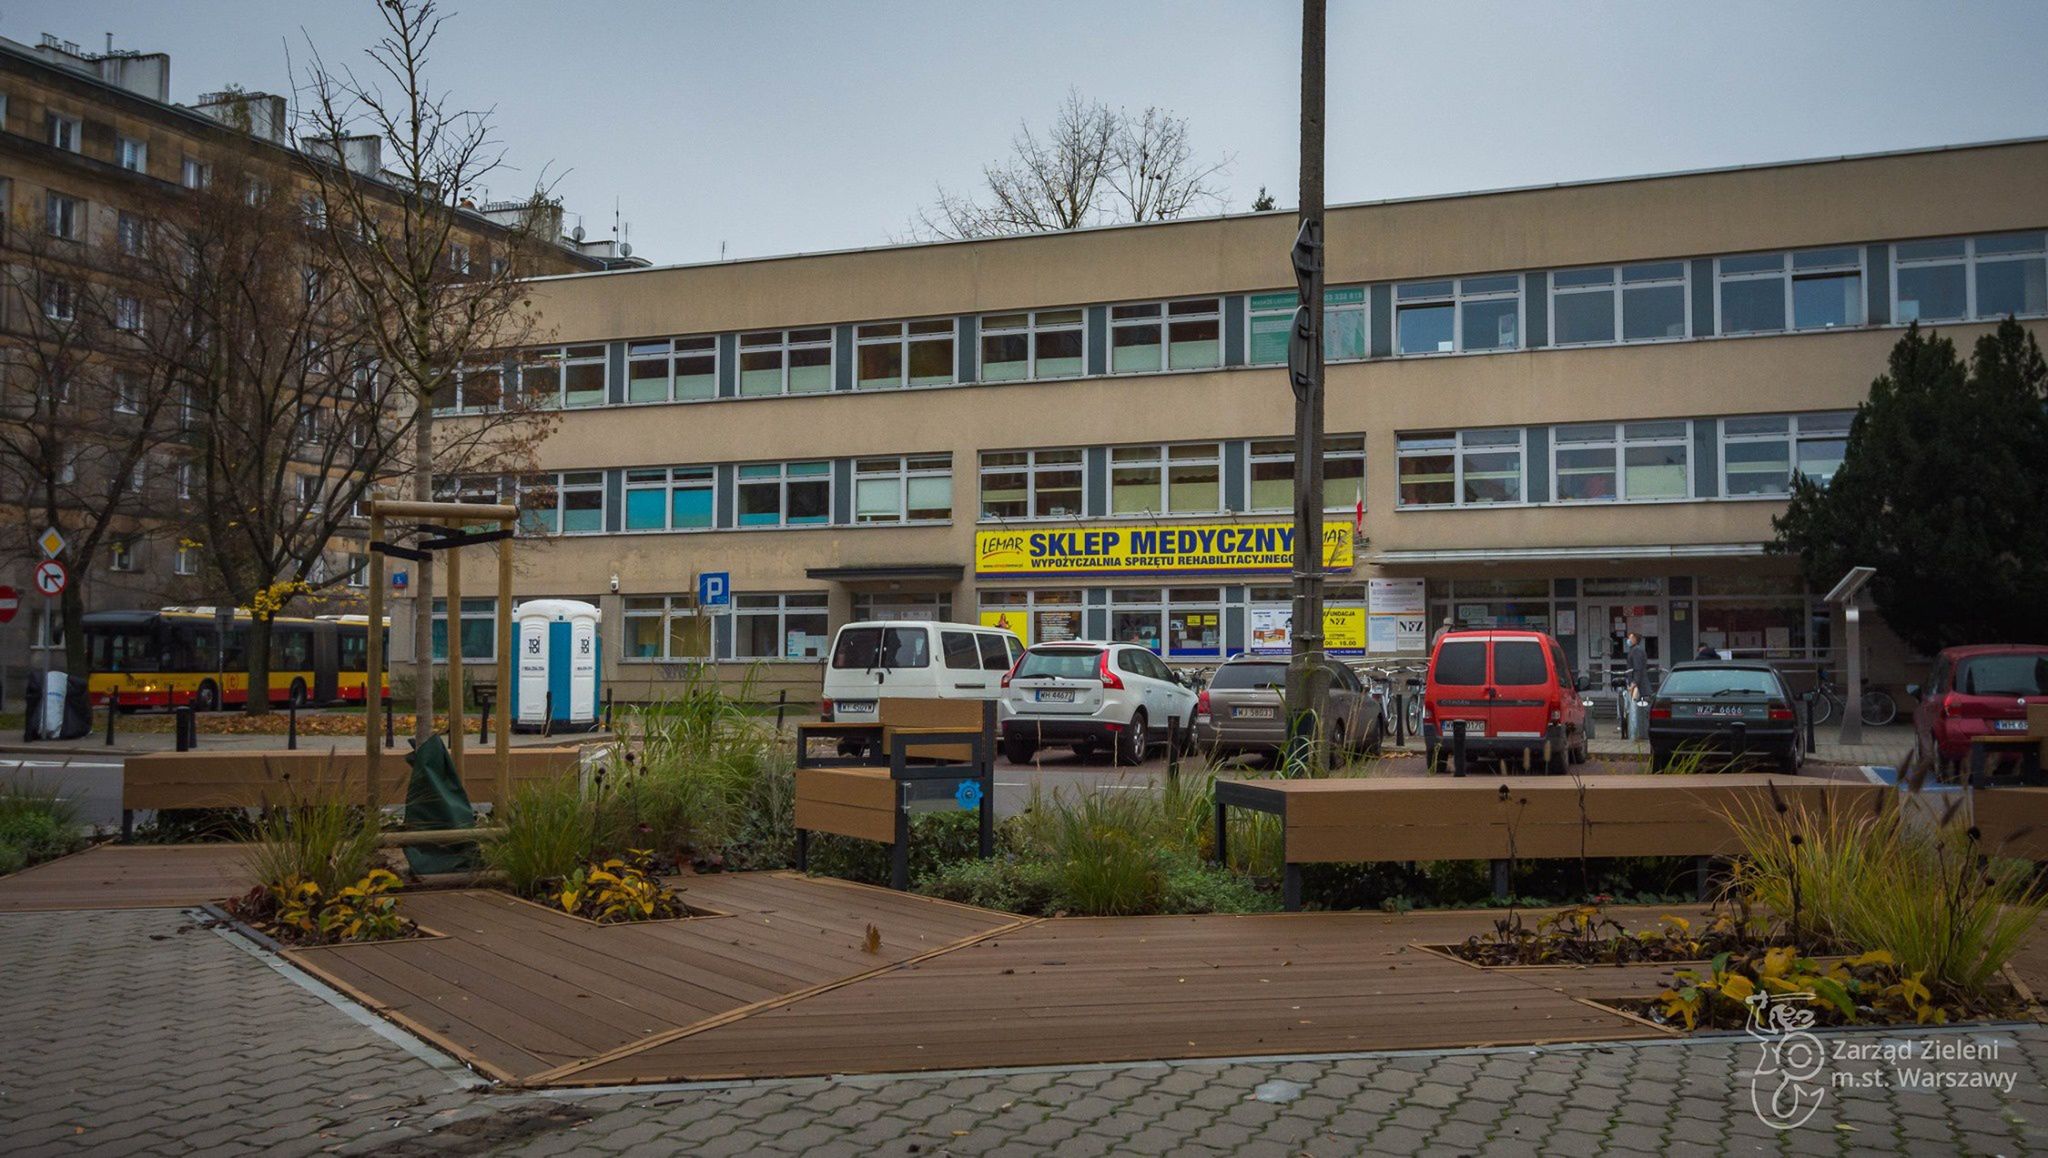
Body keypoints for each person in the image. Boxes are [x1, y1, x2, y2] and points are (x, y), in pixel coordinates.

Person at [1625, 632, 1650, 738]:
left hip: (1638, 686)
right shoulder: (1634, 650)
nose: (1628, 640)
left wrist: (1634, 683)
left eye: (1630, 638)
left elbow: (1638, 668)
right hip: (1636, 684)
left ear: (1635, 639)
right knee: (1633, 709)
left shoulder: (1637, 651)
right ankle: (1636, 733)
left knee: (1636, 709)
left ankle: (1637, 733)